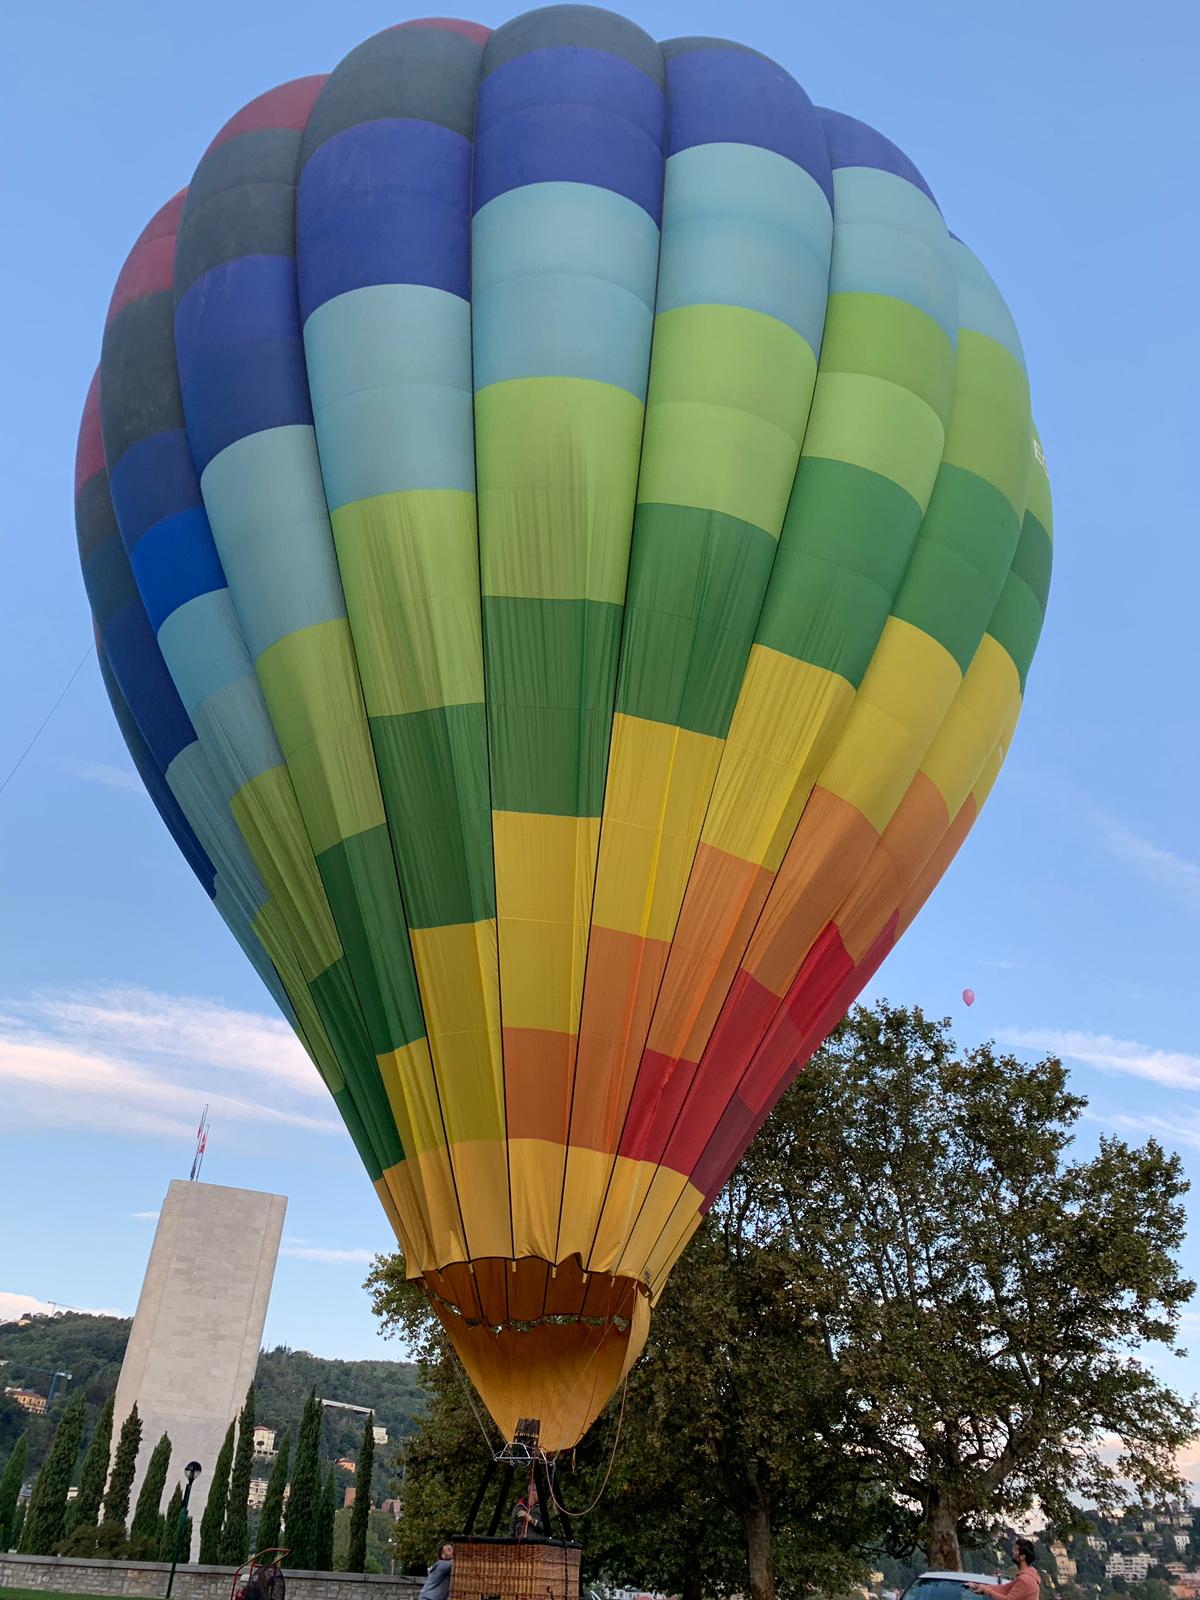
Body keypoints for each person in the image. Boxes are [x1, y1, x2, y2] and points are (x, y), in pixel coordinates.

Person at [968, 1539, 1040, 1600]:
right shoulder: (1025, 1578)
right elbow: (1004, 1589)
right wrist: (980, 1586)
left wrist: (986, 1591)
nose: (1012, 1551)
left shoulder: (1025, 1580)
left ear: (1022, 1557)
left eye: (1015, 1549)